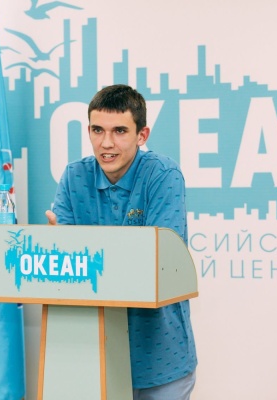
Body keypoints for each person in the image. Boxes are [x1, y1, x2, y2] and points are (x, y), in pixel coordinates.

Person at [45, 84, 197, 399]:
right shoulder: (74, 177)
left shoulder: (163, 175)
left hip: (160, 360)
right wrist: (59, 253)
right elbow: (64, 272)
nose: (106, 143)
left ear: (142, 135)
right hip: (94, 360)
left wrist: (80, 253)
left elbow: (159, 264)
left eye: (119, 131)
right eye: (97, 130)